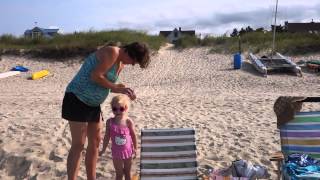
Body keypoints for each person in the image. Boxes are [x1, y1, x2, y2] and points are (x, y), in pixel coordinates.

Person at [61, 42, 150, 180]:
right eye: (134, 61)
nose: (133, 64)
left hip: (93, 104)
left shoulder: (121, 63)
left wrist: (123, 89)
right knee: (78, 144)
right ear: (129, 52)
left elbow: (109, 85)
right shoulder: (112, 52)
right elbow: (95, 76)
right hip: (77, 98)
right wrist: (116, 87)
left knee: (95, 142)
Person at [99, 95, 137, 180]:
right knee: (119, 174)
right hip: (116, 153)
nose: (118, 111)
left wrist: (136, 148)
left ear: (126, 108)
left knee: (127, 173)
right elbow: (106, 136)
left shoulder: (128, 121)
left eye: (121, 109)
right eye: (114, 109)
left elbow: (133, 136)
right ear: (112, 108)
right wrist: (103, 149)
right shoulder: (110, 122)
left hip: (128, 152)